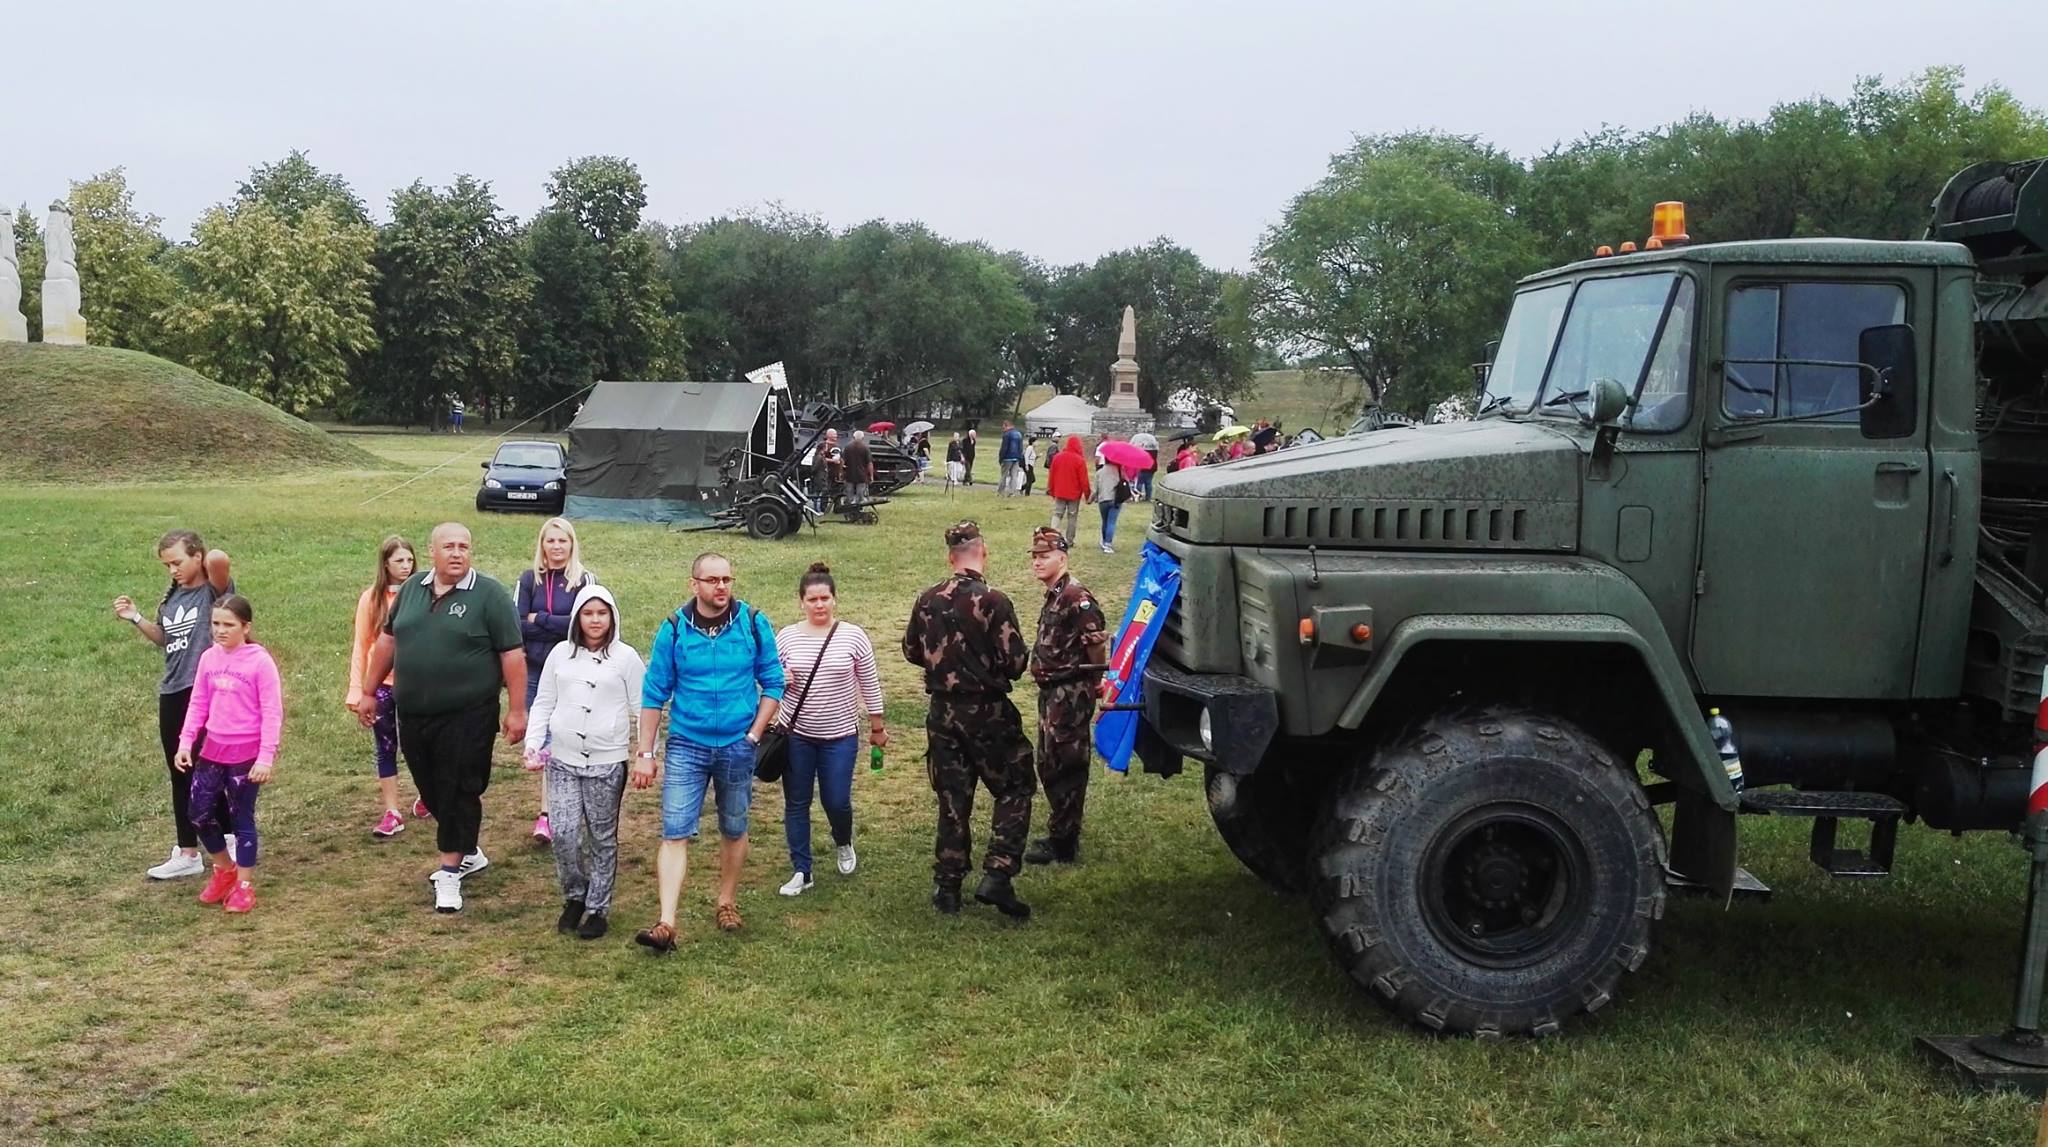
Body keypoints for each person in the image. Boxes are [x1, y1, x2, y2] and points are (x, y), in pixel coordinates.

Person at [354, 522, 527, 914]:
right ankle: (469, 851)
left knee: (458, 787)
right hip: (414, 712)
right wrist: (368, 691)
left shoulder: (490, 595)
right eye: (448, 546)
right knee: (430, 789)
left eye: (464, 546)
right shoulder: (412, 590)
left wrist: (518, 710)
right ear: (431, 551)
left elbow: (513, 655)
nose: (457, 553)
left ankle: (450, 872)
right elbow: (388, 641)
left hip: (469, 713)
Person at [633, 552, 784, 951]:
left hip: (738, 743)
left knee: (734, 826)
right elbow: (654, 693)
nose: (721, 587)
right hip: (687, 743)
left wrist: (753, 735)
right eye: (713, 580)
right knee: (674, 830)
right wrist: (645, 752)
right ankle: (666, 922)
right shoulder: (674, 629)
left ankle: (727, 902)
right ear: (694, 584)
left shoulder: (753, 623)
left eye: (727, 579)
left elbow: (773, 682)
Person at [900, 521, 1035, 919]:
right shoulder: (993, 601)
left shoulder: (927, 599)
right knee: (1015, 786)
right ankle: (999, 872)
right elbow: (1015, 663)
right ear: (983, 552)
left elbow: (911, 650)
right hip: (987, 711)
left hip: (942, 713)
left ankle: (948, 885)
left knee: (952, 798)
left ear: (950, 557)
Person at [113, 529, 236, 881]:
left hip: (206, 689)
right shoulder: (173, 599)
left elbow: (220, 559)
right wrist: (136, 618)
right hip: (173, 690)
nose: (172, 570)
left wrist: (204, 559)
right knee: (180, 769)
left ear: (197, 556)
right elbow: (165, 640)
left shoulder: (214, 591)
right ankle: (187, 852)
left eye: (177, 562)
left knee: (211, 767)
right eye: (167, 565)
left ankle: (228, 837)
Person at [526, 585, 643, 941]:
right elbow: (544, 701)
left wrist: (645, 753)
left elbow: (643, 708)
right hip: (563, 759)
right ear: (577, 618)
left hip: (606, 762)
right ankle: (575, 894)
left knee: (601, 837)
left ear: (612, 617)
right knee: (563, 832)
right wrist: (534, 743)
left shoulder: (626, 658)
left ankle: (598, 907)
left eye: (602, 613)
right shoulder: (560, 654)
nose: (595, 620)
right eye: (588, 614)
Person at [773, 563, 886, 897]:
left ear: (834, 599)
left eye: (824, 598)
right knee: (796, 802)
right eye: (812, 599)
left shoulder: (853, 636)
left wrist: (877, 726)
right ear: (801, 602)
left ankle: (843, 841)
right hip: (796, 736)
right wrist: (780, 679)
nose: (819, 605)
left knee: (836, 800)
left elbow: (870, 683)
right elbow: (767, 679)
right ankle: (802, 869)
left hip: (840, 736)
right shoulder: (787, 637)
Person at [174, 594, 282, 914]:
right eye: (215, 624)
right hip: (213, 750)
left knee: (240, 817)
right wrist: (185, 742)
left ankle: (244, 886)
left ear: (245, 627)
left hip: (246, 754)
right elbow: (198, 703)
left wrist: (265, 757)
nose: (220, 630)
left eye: (228, 625)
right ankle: (224, 870)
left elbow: (272, 712)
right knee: (198, 813)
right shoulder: (209, 658)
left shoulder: (260, 662)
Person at [1024, 528, 1108, 865]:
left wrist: (1096, 680)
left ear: (1062, 558)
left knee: (1067, 765)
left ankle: (1064, 841)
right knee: (1048, 762)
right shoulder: (1056, 594)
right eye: (1034, 557)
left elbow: (1096, 643)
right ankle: (1061, 829)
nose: (1037, 562)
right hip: (1052, 693)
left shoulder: (1076, 597)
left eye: (1044, 556)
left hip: (1069, 693)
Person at [517, 517, 593, 846]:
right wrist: (555, 624)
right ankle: (547, 815)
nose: (557, 546)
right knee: (543, 740)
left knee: (572, 737)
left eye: (563, 540)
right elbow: (517, 624)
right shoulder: (529, 579)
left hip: (573, 671)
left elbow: (582, 625)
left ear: (572, 544)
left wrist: (541, 619)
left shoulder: (585, 580)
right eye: (551, 540)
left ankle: (574, 809)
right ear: (542, 545)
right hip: (536, 671)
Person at [348, 535, 421, 838]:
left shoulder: (422, 594)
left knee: (419, 743)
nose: (405, 566)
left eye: (409, 560)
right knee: (386, 746)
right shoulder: (372, 599)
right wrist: (357, 690)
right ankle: (392, 811)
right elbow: (361, 644)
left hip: (416, 683)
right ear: (385, 564)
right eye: (399, 561)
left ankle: (427, 795)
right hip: (382, 684)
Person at [1045, 435, 1089, 545]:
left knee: (1057, 513)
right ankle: (1069, 540)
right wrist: (1087, 494)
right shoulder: (1079, 460)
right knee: (1072, 516)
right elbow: (1084, 480)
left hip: (1060, 491)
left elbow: (1052, 475)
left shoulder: (1058, 457)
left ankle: (1053, 535)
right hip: (1074, 493)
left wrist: (1051, 489)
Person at [1092, 444, 1126, 554]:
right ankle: (1108, 544)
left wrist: (1090, 499)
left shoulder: (1099, 472)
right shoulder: (1119, 471)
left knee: (1105, 521)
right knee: (1112, 522)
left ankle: (1103, 540)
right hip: (1115, 499)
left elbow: (1095, 489)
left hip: (1103, 499)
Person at [843, 431, 875, 507]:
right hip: (861, 475)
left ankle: (848, 508)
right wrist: (871, 476)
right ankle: (858, 508)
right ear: (862, 438)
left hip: (849, 474)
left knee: (849, 494)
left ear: (853, 437)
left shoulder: (847, 447)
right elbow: (869, 463)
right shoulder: (865, 448)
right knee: (860, 495)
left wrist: (841, 472)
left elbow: (842, 461)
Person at [997, 421, 1023, 495]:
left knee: (1004, 475)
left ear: (1007, 426)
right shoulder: (1019, 434)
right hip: (1016, 457)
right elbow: (1020, 447)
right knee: (1014, 476)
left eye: (1004, 427)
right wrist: (1019, 456)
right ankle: (1012, 492)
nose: (1003, 429)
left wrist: (1001, 458)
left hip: (1007, 457)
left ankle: (1001, 491)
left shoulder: (1007, 434)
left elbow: (1004, 447)